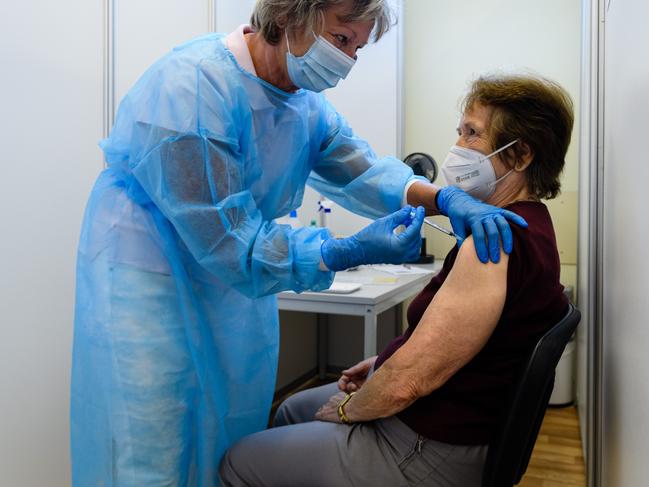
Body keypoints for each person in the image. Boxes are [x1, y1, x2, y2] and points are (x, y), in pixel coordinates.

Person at [70, 1, 527, 485]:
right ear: (290, 16)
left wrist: (440, 196)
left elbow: (362, 169)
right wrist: (345, 250)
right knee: (153, 441)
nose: (348, 59)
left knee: (228, 428)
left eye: (358, 47)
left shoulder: (302, 104)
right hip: (150, 278)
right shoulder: (192, 88)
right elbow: (230, 242)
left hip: (230, 289)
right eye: (341, 38)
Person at [219, 73, 574, 487]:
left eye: (472, 133)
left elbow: (408, 382)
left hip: (428, 447)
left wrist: (349, 410)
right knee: (292, 410)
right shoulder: (533, 226)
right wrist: (382, 363)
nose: (457, 147)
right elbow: (455, 348)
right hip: (447, 419)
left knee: (238, 461)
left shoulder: (492, 244)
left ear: (521, 155)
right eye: (459, 131)